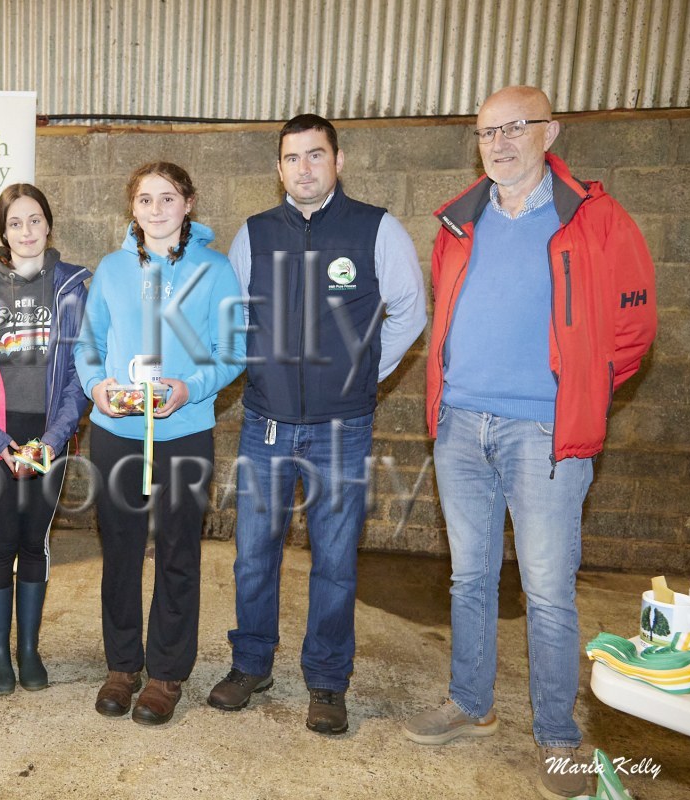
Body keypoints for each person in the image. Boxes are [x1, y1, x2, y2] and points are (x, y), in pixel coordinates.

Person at [401, 86, 657, 799]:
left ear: (551, 131)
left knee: (546, 590)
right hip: (461, 425)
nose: (500, 143)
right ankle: (470, 704)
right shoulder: (459, 220)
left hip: (544, 432)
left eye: (516, 127)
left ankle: (558, 738)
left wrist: (582, 391)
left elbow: (633, 329)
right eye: (487, 132)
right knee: (468, 578)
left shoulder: (595, 219)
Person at [207, 115, 426, 734]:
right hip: (266, 425)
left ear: (338, 160)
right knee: (254, 555)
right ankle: (251, 664)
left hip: (342, 430)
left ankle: (328, 680)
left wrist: (363, 371)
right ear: (278, 168)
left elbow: (410, 310)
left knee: (334, 560)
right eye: (292, 158)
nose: (303, 168)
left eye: (315, 155)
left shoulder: (376, 228)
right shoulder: (254, 234)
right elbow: (232, 316)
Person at [75, 162, 246, 726]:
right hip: (117, 433)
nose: (156, 209)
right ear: (133, 207)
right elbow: (88, 344)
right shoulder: (111, 269)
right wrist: (96, 386)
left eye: (167, 198)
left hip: (183, 432)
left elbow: (233, 351)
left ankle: (167, 673)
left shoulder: (215, 269)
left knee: (177, 552)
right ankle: (123, 665)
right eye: (145, 199)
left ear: (188, 203)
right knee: (121, 553)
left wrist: (189, 387)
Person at [0, 183, 91, 695]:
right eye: (15, 223)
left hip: (49, 437)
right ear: (3, 231)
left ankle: (28, 651)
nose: (26, 231)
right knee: (3, 538)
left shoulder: (72, 287)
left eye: (34, 220)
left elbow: (80, 372)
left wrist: (53, 439)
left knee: (36, 540)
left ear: (48, 225)